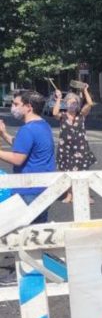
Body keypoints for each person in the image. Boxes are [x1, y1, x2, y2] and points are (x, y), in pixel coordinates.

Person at [0, 90, 55, 223]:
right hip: (42, 188)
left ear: (29, 107)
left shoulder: (28, 129)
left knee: (18, 234)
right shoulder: (43, 125)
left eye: (16, 104)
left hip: (27, 190)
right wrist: (4, 133)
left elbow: (17, 158)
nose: (13, 107)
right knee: (37, 231)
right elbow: (23, 146)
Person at [54, 85, 97, 203]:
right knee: (67, 172)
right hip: (66, 148)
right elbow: (54, 113)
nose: (72, 105)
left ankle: (86, 194)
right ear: (66, 103)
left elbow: (89, 104)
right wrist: (58, 98)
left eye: (74, 103)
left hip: (81, 148)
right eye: (69, 102)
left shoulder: (81, 115)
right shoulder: (62, 116)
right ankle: (69, 195)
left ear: (77, 104)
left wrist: (85, 91)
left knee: (83, 171)